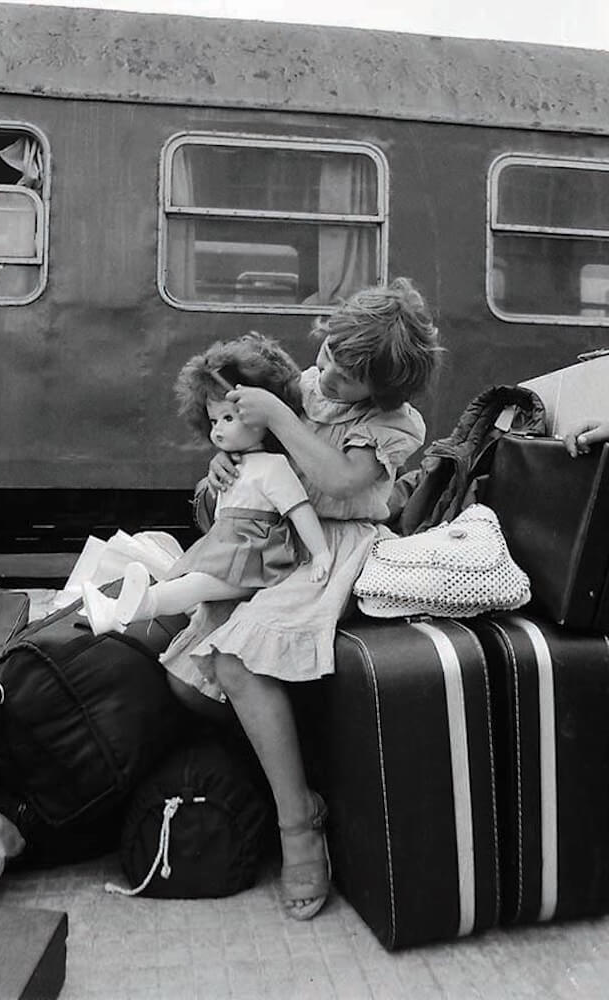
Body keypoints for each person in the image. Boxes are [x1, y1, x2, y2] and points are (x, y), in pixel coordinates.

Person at [161, 278, 441, 921]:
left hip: (333, 549)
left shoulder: (395, 423)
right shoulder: (308, 387)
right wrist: (221, 468)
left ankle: (299, 824)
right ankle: (292, 768)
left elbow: (340, 480)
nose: (327, 376)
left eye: (347, 376)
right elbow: (254, 451)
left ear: (384, 390)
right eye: (328, 357)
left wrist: (280, 416)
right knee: (186, 680)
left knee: (232, 661)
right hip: (273, 539)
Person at [80, 332, 332, 635]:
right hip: (228, 548)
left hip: (253, 555)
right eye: (214, 421)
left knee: (195, 585)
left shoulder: (274, 466)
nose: (218, 430)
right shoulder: (235, 464)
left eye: (228, 418)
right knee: (190, 583)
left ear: (263, 418)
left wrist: (320, 553)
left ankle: (138, 606)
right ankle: (120, 611)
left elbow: (299, 510)